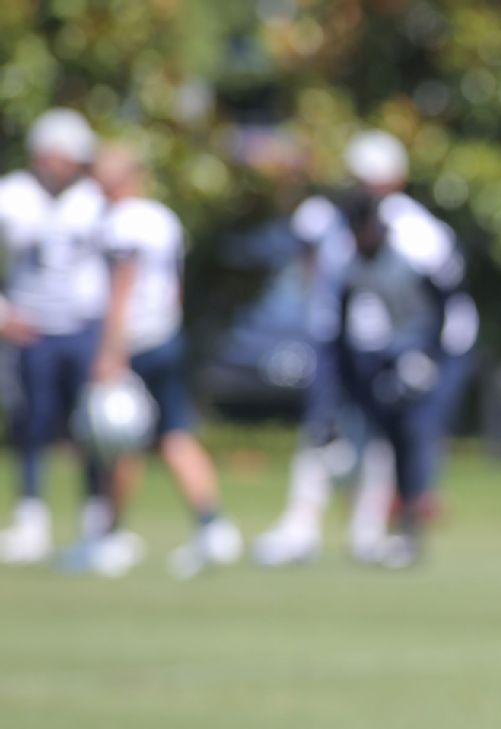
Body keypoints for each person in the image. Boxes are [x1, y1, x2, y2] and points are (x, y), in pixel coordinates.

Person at [253, 130, 476, 567]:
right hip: (395, 341)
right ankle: (366, 530)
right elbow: (340, 312)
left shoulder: (413, 242)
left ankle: (405, 530)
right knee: (359, 430)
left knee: (413, 430)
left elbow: (449, 306)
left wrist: (425, 358)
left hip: (437, 342)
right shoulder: (346, 243)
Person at [76, 143, 242, 578]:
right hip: (167, 335)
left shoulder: (123, 222)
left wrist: (109, 352)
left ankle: (111, 538)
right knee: (175, 434)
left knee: (119, 441)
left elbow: (122, 290)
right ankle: (213, 525)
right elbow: (176, 286)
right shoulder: (163, 219)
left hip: (134, 343)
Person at [0, 108, 112, 564]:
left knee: (94, 427)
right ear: (47, 156)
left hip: (83, 327)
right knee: (30, 424)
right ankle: (31, 520)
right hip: (31, 330)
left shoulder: (93, 199)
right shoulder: (12, 196)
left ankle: (98, 522)